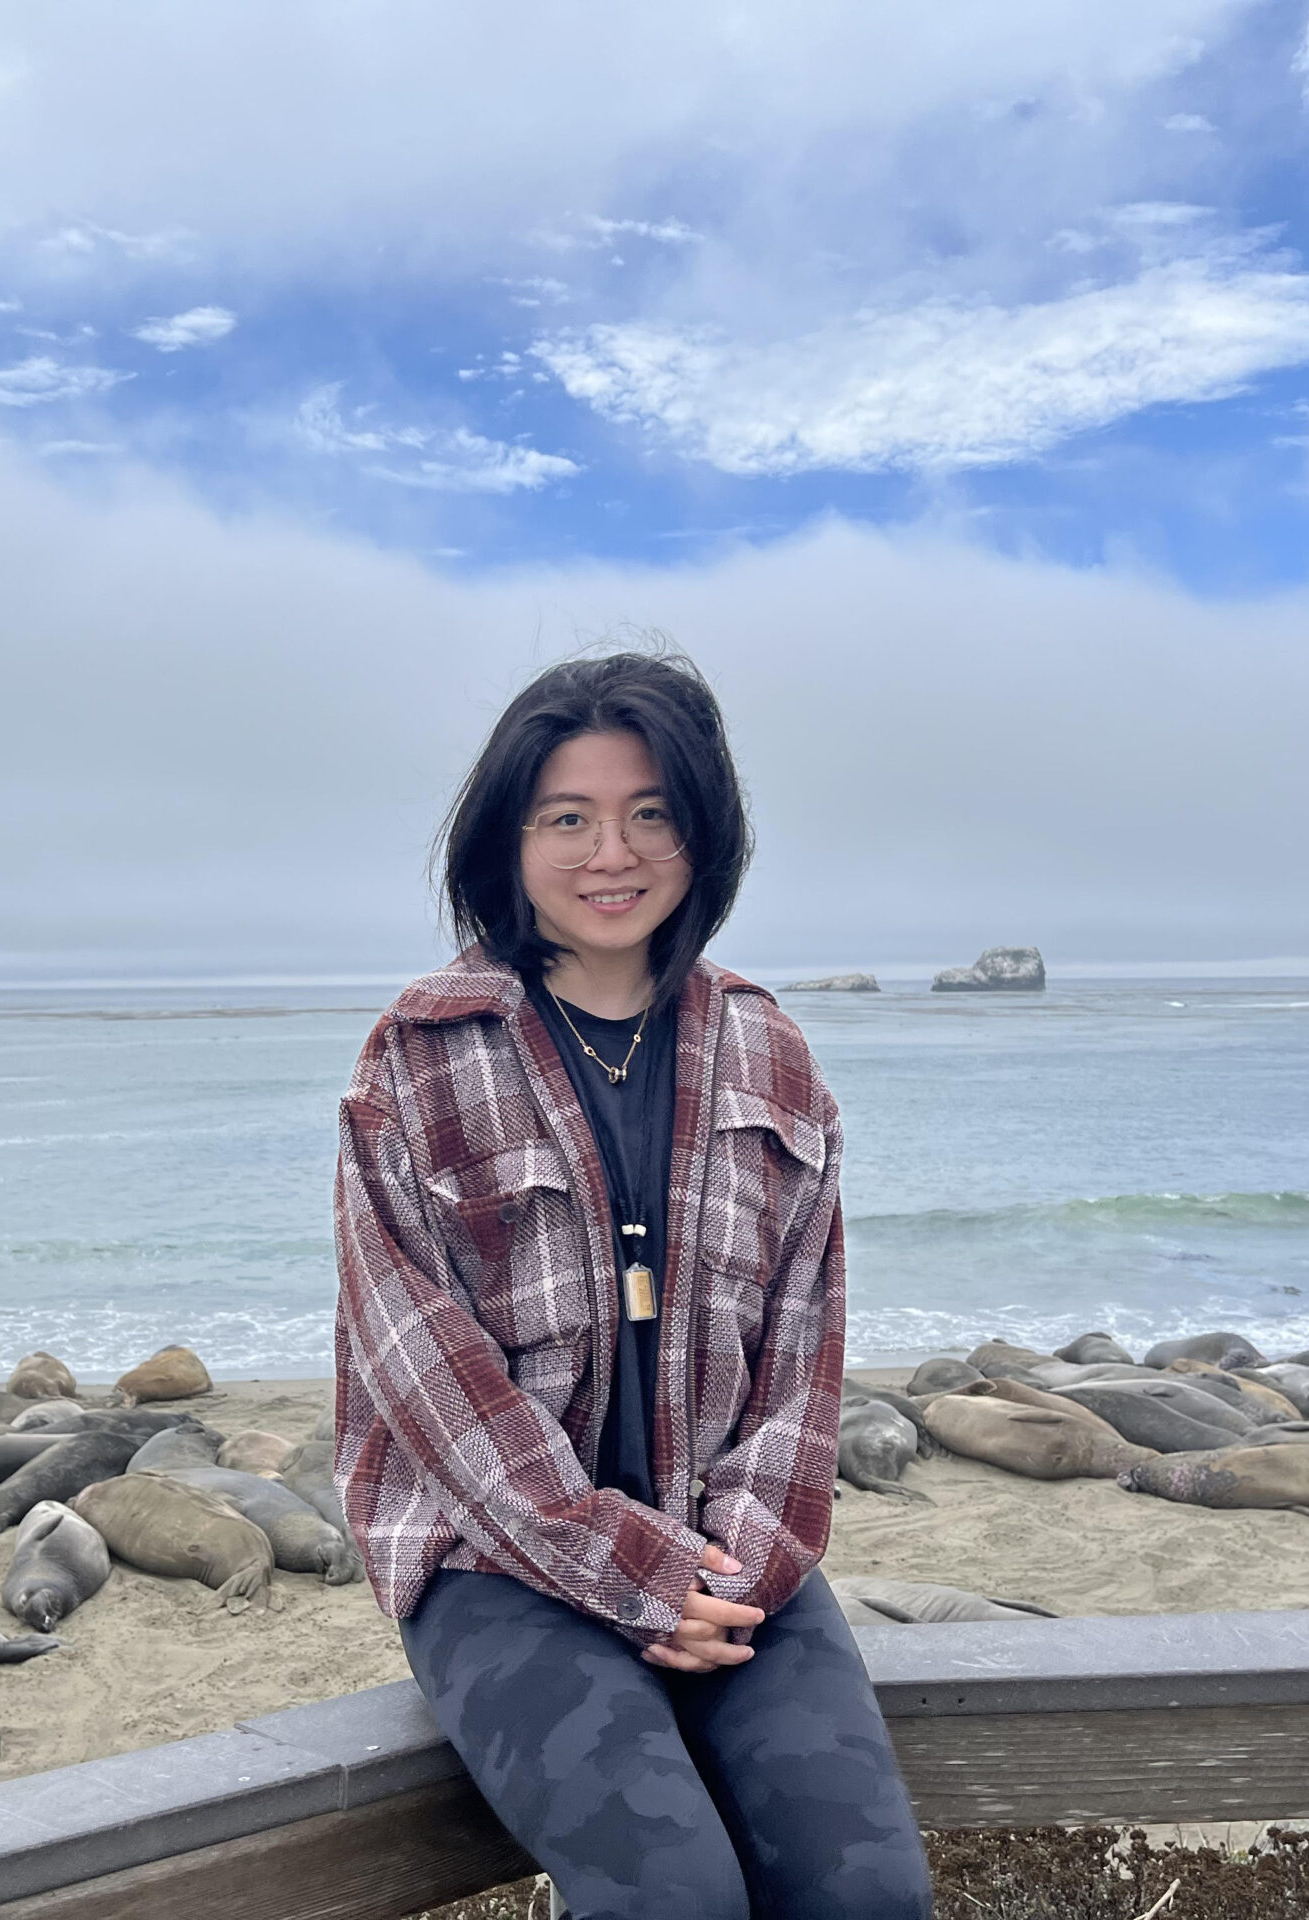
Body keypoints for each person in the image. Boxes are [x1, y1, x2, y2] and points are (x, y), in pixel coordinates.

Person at [331, 651, 932, 1918]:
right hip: (495, 1557)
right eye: (569, 818)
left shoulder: (766, 1043)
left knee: (868, 1896)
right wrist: (625, 1571)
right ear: (509, 836)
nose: (613, 853)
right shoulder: (421, 1053)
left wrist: (741, 1563)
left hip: (727, 1542)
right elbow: (421, 1368)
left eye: (650, 812)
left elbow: (805, 1340)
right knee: (674, 1899)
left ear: (703, 833)